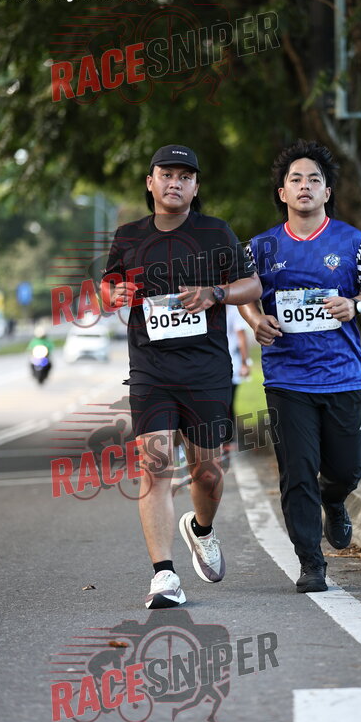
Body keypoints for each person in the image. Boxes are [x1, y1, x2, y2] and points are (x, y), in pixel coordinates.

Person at [101, 144, 261, 609]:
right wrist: (115, 292)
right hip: (150, 370)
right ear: (150, 182)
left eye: (185, 176)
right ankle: (164, 575)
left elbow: (252, 284)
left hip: (206, 370)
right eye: (167, 174)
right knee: (153, 467)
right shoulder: (129, 236)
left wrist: (215, 293)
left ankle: (202, 529)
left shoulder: (216, 232)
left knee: (207, 473)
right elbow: (107, 287)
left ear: (195, 186)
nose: (175, 182)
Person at [239, 139, 361, 593]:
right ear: (282, 192)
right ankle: (310, 562)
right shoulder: (260, 246)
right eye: (295, 179)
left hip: (342, 376)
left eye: (314, 180)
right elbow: (244, 292)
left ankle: (335, 498)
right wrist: (256, 320)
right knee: (298, 471)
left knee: (346, 469)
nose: (304, 186)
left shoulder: (352, 241)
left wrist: (355, 305)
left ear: (327, 192)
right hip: (287, 379)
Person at [225, 304, 251, 446]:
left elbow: (241, 336)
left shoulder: (234, 309)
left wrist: (244, 363)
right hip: (218, 363)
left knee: (228, 402)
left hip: (232, 363)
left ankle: (228, 438)